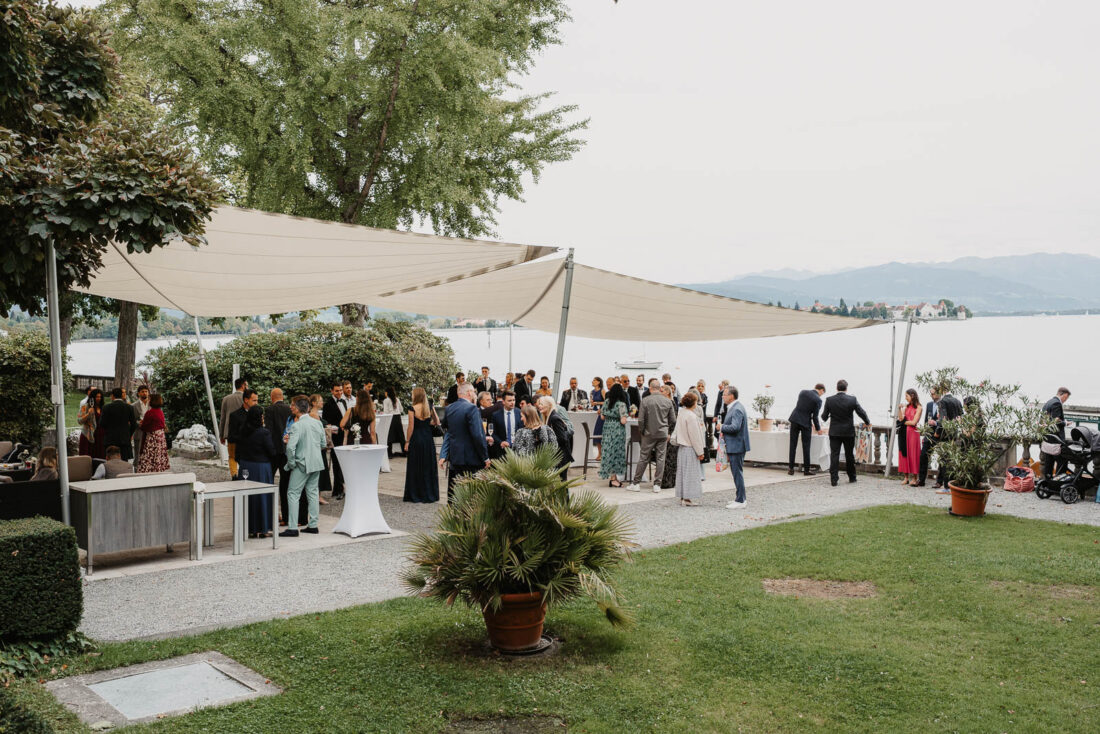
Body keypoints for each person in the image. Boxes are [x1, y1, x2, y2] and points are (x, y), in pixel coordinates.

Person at [281, 396, 327, 537]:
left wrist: (291, 464)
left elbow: (290, 448)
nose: (291, 407)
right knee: (312, 493)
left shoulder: (297, 426)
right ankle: (313, 525)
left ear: (297, 408)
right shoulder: (317, 423)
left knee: (293, 493)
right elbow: (323, 444)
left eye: (292, 405)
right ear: (307, 408)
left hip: (302, 463)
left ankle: (293, 527)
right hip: (317, 462)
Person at [443, 383, 490, 502]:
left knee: (455, 493)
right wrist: (485, 457)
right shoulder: (472, 409)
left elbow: (447, 430)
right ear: (469, 393)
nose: (475, 394)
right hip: (471, 459)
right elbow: (477, 435)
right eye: (474, 392)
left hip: (455, 458)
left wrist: (444, 454)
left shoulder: (449, 408)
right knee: (471, 495)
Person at [627, 378, 676, 493]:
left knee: (643, 457)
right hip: (663, 433)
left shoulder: (645, 400)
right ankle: (657, 484)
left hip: (648, 433)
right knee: (660, 458)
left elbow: (641, 419)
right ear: (659, 388)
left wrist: (642, 431)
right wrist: (667, 430)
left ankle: (636, 483)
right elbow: (673, 420)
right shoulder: (668, 401)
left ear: (650, 388)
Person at [821, 379, 871, 487]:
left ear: (836, 388)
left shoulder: (829, 400)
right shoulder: (852, 400)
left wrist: (828, 414)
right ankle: (852, 477)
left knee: (834, 455)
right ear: (846, 389)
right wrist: (867, 422)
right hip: (848, 432)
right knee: (849, 455)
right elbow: (861, 412)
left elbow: (824, 417)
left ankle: (834, 480)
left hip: (834, 432)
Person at [235, 404, 275, 538]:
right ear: (260, 417)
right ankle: (263, 528)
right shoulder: (264, 433)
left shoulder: (242, 430)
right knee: (262, 497)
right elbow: (272, 451)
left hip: (246, 466)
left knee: (248, 498)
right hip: (261, 467)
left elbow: (237, 452)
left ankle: (249, 527)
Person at [404, 387, 440, 503]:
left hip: (416, 439)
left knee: (416, 465)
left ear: (416, 395)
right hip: (428, 438)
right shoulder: (429, 406)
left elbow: (411, 427)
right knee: (428, 465)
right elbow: (437, 422)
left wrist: (407, 441)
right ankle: (429, 493)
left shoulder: (412, 408)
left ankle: (415, 493)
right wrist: (426, 423)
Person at [264, 388, 294, 522]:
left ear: (272, 398)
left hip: (274, 451)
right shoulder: (290, 409)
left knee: (268, 482)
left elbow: (268, 431)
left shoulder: (269, 410)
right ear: (282, 397)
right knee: (286, 484)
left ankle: (270, 515)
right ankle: (286, 517)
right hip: (287, 450)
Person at [672, 392, 706, 506]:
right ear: (694, 403)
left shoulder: (681, 413)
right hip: (690, 447)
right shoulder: (691, 416)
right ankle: (687, 499)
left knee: (682, 472)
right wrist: (700, 452)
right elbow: (695, 436)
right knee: (690, 474)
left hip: (682, 448)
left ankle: (683, 496)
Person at [720, 386, 751, 508]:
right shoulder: (735, 407)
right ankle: (739, 497)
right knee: (736, 472)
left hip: (737, 445)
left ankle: (741, 500)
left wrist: (721, 427)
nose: (723, 397)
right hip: (736, 444)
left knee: (737, 472)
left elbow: (735, 427)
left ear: (731, 396)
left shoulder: (737, 409)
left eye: (725, 394)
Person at [788, 383, 826, 475]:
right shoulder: (818, 400)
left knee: (793, 445)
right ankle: (806, 470)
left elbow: (801, 406)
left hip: (795, 419)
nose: (821, 395)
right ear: (821, 390)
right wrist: (818, 429)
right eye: (822, 393)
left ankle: (791, 469)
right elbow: (815, 417)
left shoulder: (803, 392)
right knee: (806, 446)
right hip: (805, 423)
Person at [934, 384, 964, 492]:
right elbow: (961, 417)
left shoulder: (942, 402)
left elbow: (943, 420)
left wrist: (937, 432)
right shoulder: (957, 401)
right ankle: (950, 484)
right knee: (952, 460)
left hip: (945, 435)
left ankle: (946, 486)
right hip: (955, 434)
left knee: (944, 460)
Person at [598, 383, 629, 487]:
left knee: (609, 451)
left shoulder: (607, 402)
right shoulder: (621, 404)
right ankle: (613, 479)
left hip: (607, 429)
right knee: (616, 453)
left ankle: (613, 477)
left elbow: (602, 417)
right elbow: (623, 421)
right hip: (617, 430)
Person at [322, 383, 348, 497]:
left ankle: (340, 487)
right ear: (332, 391)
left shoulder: (344, 402)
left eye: (341, 390)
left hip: (344, 436)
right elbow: (326, 422)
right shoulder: (328, 404)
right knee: (336, 463)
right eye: (337, 391)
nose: (340, 393)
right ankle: (338, 488)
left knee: (343, 462)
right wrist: (334, 427)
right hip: (335, 436)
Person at [537, 396, 574, 477]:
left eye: (541, 404)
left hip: (561, 456)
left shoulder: (554, 418)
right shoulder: (549, 417)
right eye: (539, 404)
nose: (539, 406)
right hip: (558, 456)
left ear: (549, 405)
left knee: (561, 482)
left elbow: (562, 439)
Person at [1040, 387, 1071, 480]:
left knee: (1049, 463)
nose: (1065, 400)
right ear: (1062, 394)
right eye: (1066, 397)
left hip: (1048, 439)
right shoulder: (1057, 403)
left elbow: (1047, 420)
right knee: (1062, 462)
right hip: (1055, 440)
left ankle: (1048, 482)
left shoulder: (1049, 402)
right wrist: (1065, 423)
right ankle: (1058, 483)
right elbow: (1055, 422)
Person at [136, 393, 171, 473]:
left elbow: (144, 427)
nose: (148, 400)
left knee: (149, 455)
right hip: (160, 437)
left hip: (152, 438)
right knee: (158, 454)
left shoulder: (150, 413)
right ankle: (158, 468)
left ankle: (149, 469)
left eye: (149, 399)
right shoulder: (160, 412)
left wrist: (141, 424)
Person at [219, 377, 247, 476]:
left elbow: (222, 418)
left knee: (232, 456)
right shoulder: (247, 398)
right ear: (243, 385)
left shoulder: (226, 399)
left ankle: (234, 475)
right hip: (244, 432)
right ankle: (244, 474)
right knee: (244, 455)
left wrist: (221, 435)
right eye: (246, 385)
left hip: (230, 432)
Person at [100, 388, 138, 462]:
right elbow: (134, 424)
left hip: (110, 439)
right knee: (124, 460)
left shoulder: (106, 407)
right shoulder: (129, 407)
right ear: (122, 395)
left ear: (112, 396)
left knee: (111, 461)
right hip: (124, 439)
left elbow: (102, 423)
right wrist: (129, 434)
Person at [896, 388, 923, 485]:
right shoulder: (906, 407)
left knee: (913, 454)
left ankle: (915, 477)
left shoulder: (919, 407)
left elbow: (914, 422)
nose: (905, 398)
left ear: (912, 396)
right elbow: (900, 418)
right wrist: (899, 409)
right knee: (904, 453)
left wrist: (903, 422)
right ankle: (906, 477)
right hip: (903, 433)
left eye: (906, 396)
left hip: (913, 433)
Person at [916, 387, 941, 487]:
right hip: (929, 434)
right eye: (931, 393)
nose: (932, 395)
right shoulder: (929, 404)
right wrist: (925, 433)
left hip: (940, 434)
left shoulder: (943, 404)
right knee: (923, 456)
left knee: (941, 458)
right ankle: (921, 480)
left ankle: (939, 481)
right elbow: (926, 420)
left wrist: (935, 423)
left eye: (933, 393)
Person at [487, 390, 522, 460]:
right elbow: (493, 433)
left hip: (517, 450)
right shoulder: (496, 415)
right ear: (503, 402)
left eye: (514, 400)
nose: (512, 403)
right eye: (509, 401)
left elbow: (523, 430)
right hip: (501, 451)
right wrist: (501, 442)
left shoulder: (520, 413)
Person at [659, 386, 680, 490]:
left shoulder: (670, 403)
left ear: (667, 392)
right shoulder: (668, 403)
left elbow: (673, 420)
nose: (660, 392)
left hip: (670, 434)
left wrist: (669, 433)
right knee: (668, 458)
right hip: (668, 433)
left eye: (662, 391)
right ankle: (668, 481)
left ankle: (668, 481)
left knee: (669, 458)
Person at [78, 388, 106, 459]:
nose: (98, 399)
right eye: (97, 397)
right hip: (88, 435)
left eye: (100, 397)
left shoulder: (103, 408)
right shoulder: (85, 406)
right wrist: (88, 414)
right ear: (92, 397)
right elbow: (79, 421)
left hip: (101, 436)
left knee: (100, 457)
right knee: (88, 457)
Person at [131, 384, 150, 465]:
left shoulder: (152, 405)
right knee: (138, 453)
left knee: (149, 453)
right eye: (142, 392)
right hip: (139, 432)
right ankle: (136, 470)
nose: (145, 393)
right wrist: (139, 423)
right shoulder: (133, 406)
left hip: (150, 432)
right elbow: (131, 420)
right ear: (138, 393)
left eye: (146, 391)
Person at [383, 387, 405, 455]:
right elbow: (401, 410)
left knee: (390, 435)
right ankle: (404, 452)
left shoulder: (386, 400)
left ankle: (389, 453)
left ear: (387, 393)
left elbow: (385, 411)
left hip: (391, 418)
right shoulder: (397, 399)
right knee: (401, 436)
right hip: (398, 418)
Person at [590, 377, 605, 459]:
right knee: (596, 433)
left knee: (599, 433)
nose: (592, 381)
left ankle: (601, 453)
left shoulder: (602, 391)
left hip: (601, 413)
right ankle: (600, 452)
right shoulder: (592, 392)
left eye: (594, 380)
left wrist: (597, 403)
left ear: (598, 382)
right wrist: (592, 403)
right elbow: (591, 403)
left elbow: (607, 402)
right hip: (594, 412)